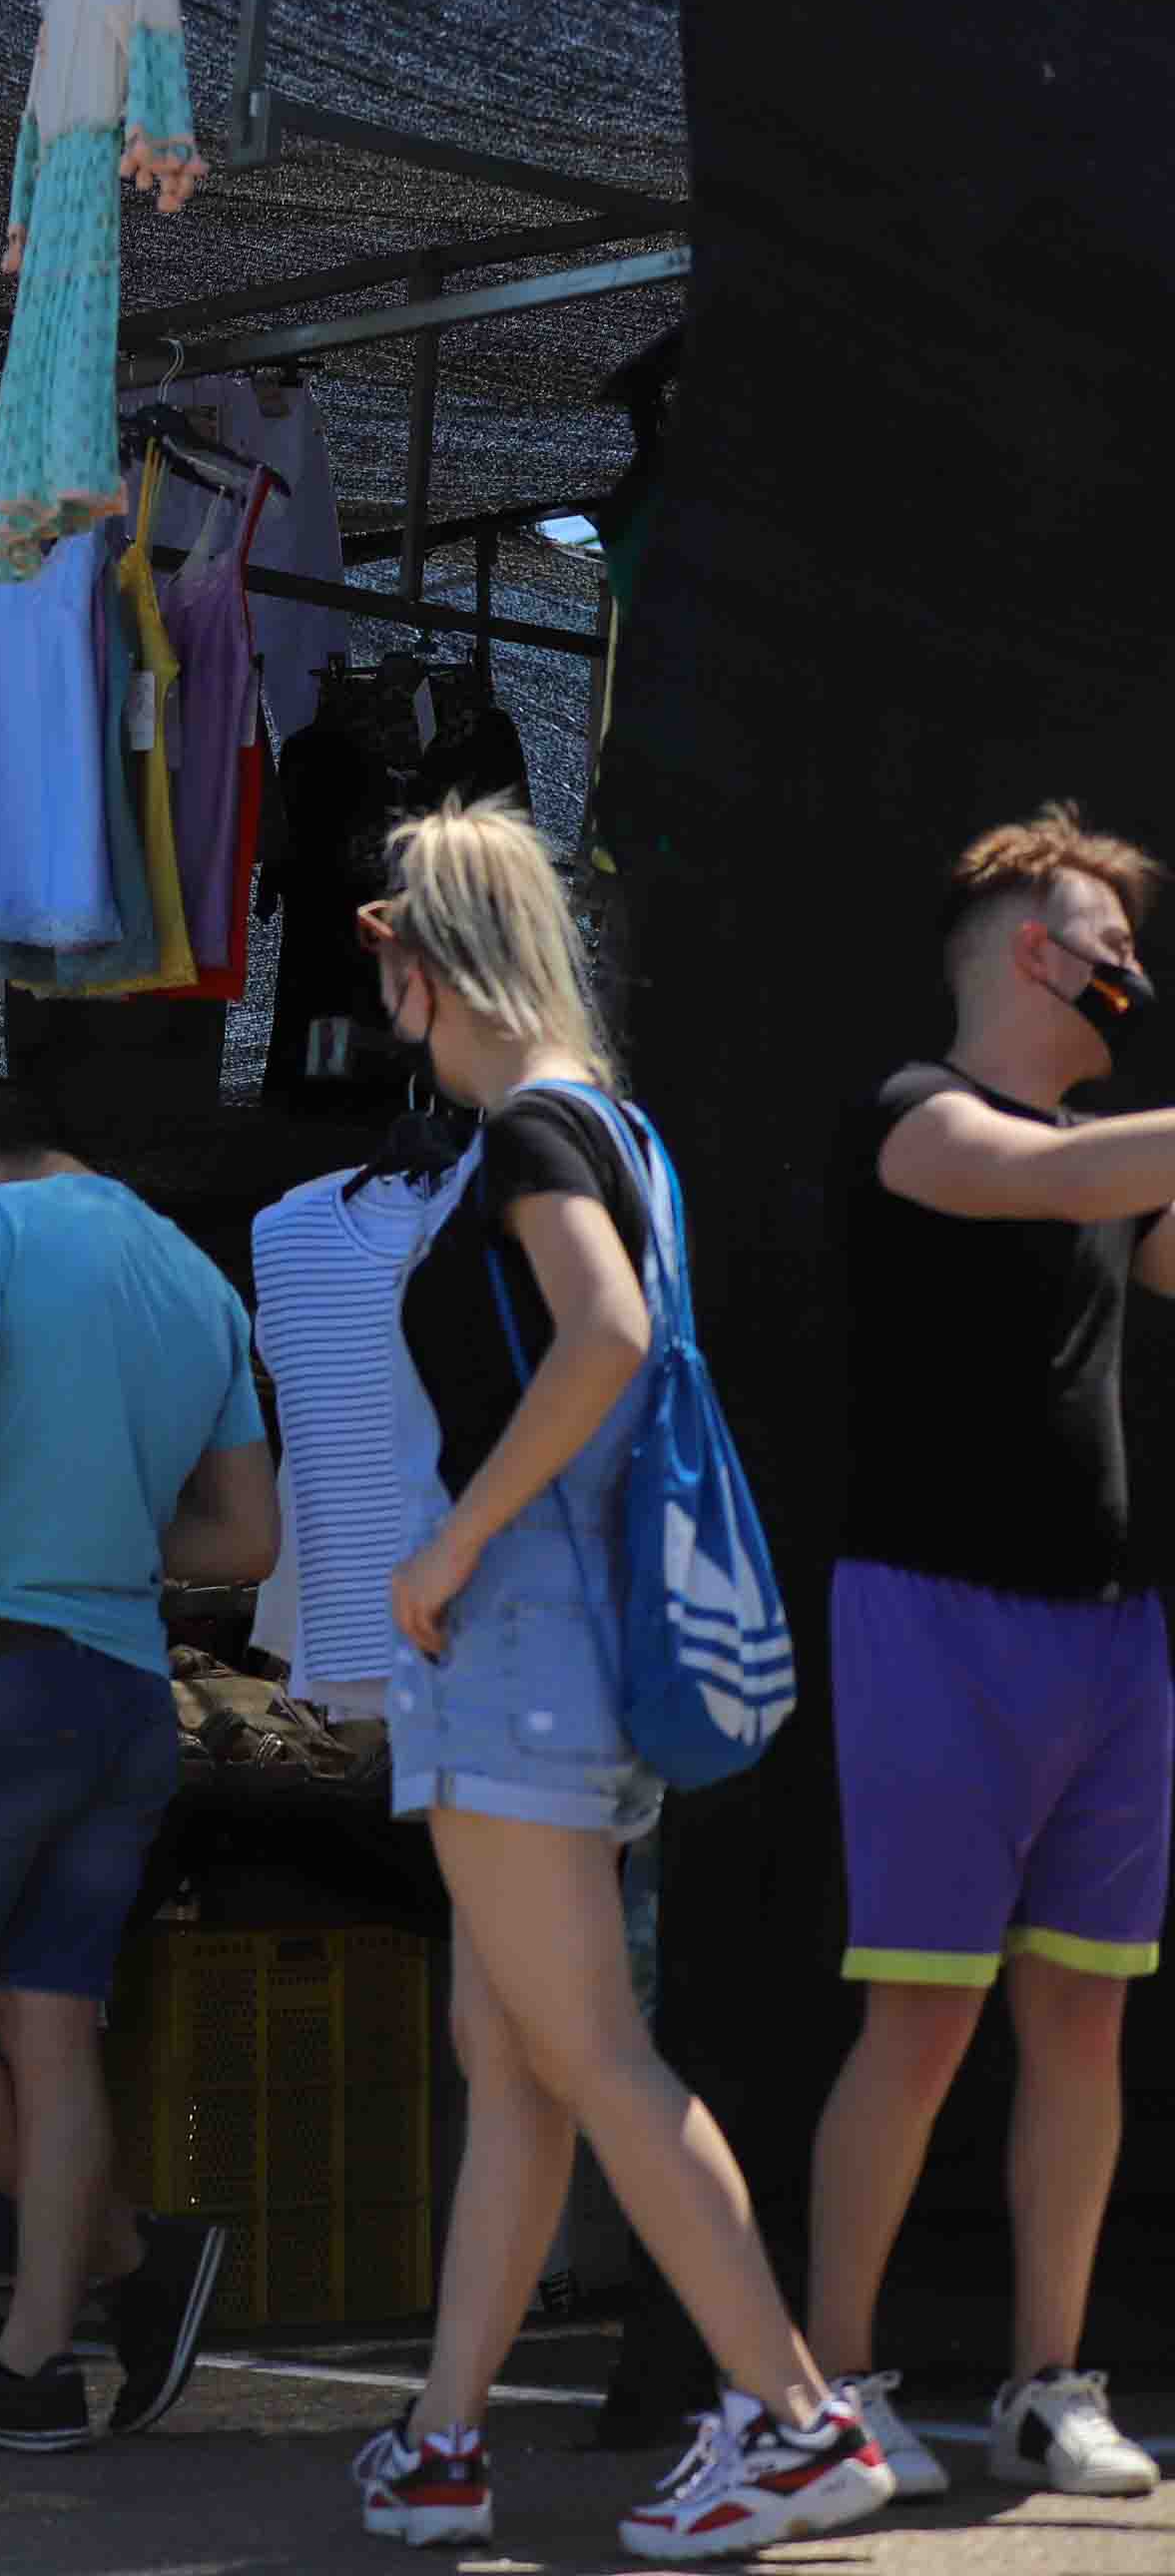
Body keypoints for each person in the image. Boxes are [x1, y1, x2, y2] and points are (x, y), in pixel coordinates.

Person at [341, 800, 892, 2559]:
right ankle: (443, 2443)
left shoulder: (531, 1138)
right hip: (571, 1644)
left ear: (424, 958)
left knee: (582, 2048)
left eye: (390, 964)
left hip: (520, 1642)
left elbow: (607, 1339)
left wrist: (446, 1545)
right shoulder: (613, 1129)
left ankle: (795, 2419)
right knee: (517, 2053)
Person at [803, 805, 1172, 2505]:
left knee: (1082, 2022)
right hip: (931, 1619)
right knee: (925, 2024)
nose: (1129, 969)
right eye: (1107, 936)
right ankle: (830, 2381)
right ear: (1035, 948)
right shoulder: (919, 1114)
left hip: (1109, 1635)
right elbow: (1041, 1177)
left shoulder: (1113, 1149)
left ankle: (1047, 2382)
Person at [0, 1080, 271, 2458]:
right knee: (49, 2032)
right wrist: (113, 1551)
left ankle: (132, 2260)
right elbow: (248, 1542)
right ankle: (35, 2363)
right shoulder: (198, 1278)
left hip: (0, 1680)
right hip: (128, 1692)